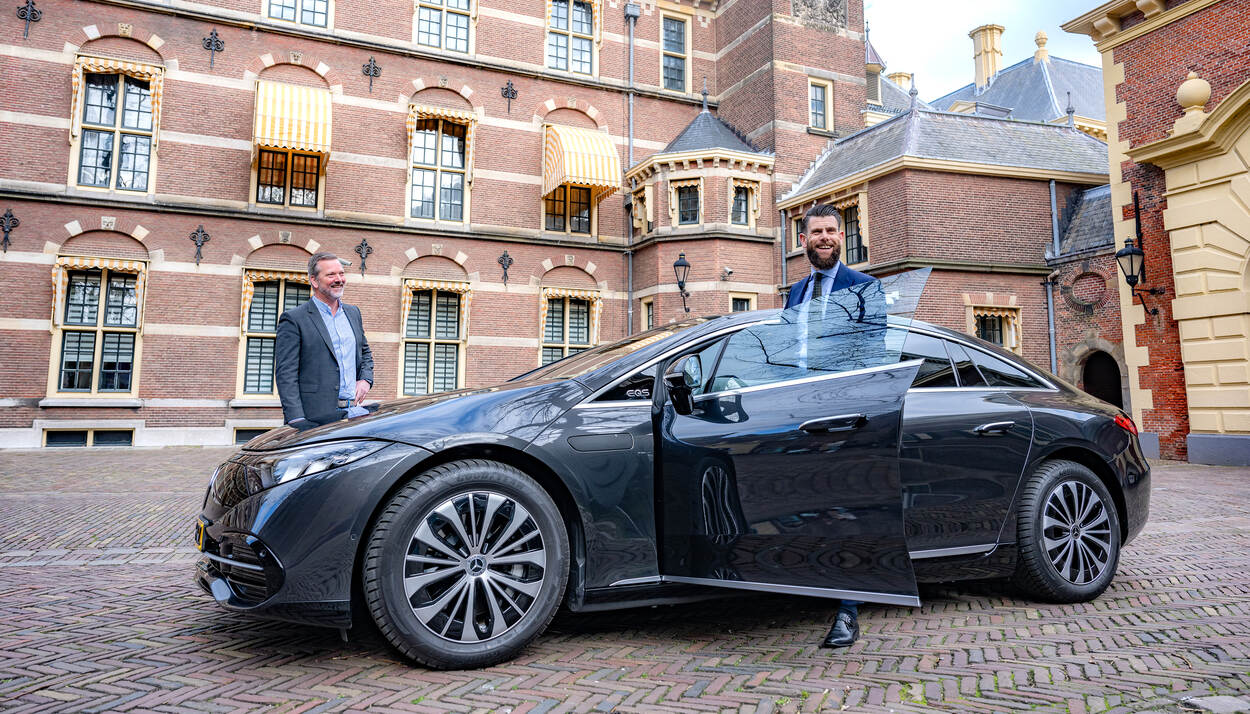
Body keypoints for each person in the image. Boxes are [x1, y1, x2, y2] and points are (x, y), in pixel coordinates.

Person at [786, 203, 871, 649]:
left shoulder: (865, 288)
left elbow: (873, 354)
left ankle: (848, 611)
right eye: (815, 231)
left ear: (842, 236)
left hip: (843, 417)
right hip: (798, 417)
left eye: (831, 231)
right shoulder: (794, 294)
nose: (824, 237)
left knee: (841, 512)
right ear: (803, 240)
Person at [276, 252, 374, 427]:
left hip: (353, 414)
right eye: (331, 275)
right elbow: (286, 375)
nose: (339, 279)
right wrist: (296, 420)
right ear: (314, 281)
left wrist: (366, 379)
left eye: (341, 273)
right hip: (314, 419)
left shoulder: (353, 313)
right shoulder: (294, 319)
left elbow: (364, 352)